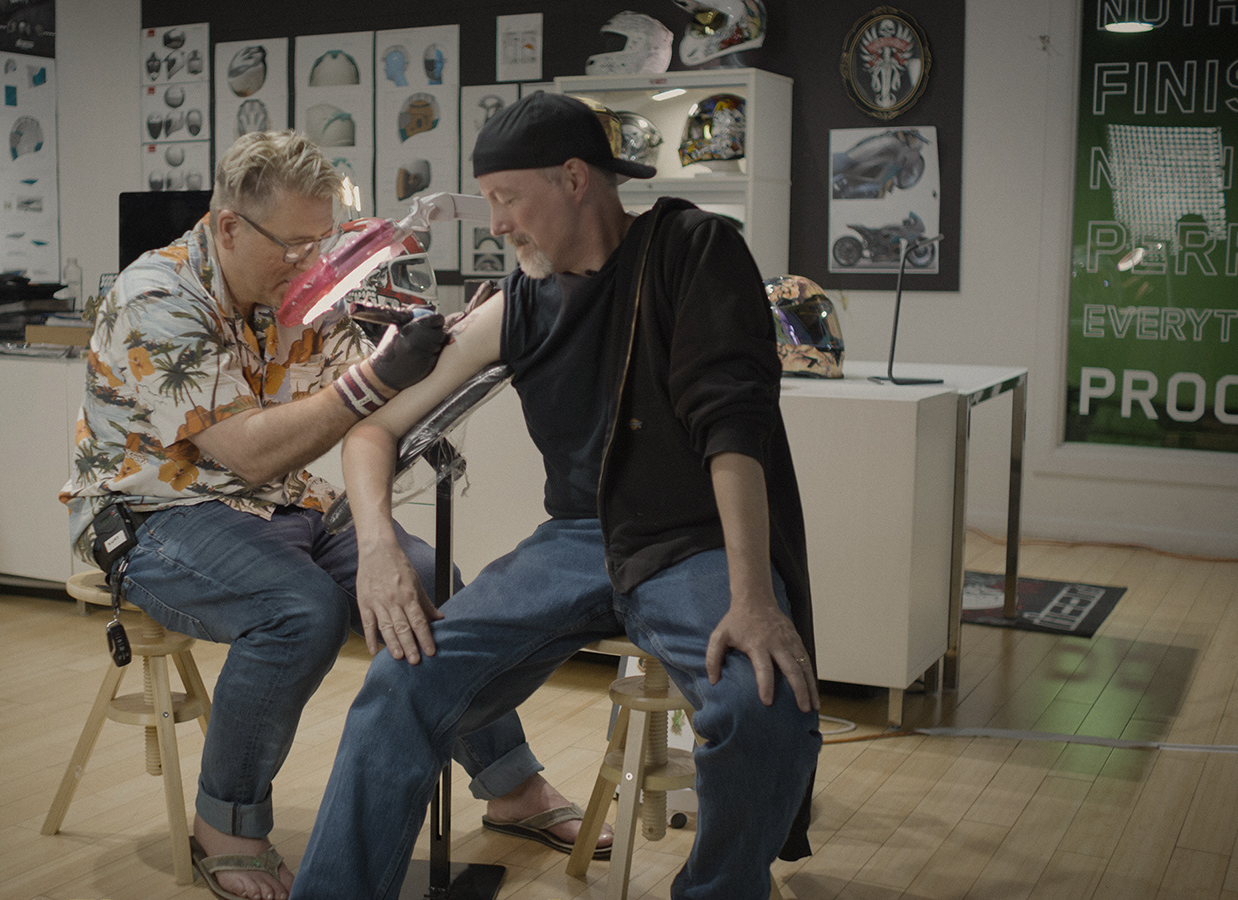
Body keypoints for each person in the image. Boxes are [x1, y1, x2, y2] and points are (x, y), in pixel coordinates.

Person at [290, 93, 822, 900]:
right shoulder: (521, 302)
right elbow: (373, 432)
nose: (496, 224)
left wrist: (753, 598)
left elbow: (733, 429)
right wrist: (377, 549)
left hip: (696, 541)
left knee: (761, 705)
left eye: (507, 199)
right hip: (581, 537)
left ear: (574, 179)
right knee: (400, 682)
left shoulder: (693, 249)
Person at [59, 130, 608, 900]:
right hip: (154, 511)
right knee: (299, 612)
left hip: (280, 504)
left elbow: (373, 403)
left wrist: (452, 346)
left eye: (323, 242)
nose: (310, 262)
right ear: (228, 227)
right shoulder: (158, 297)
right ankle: (223, 824)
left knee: (427, 579)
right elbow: (250, 452)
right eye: (294, 245)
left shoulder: (302, 286)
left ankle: (511, 783)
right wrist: (374, 380)